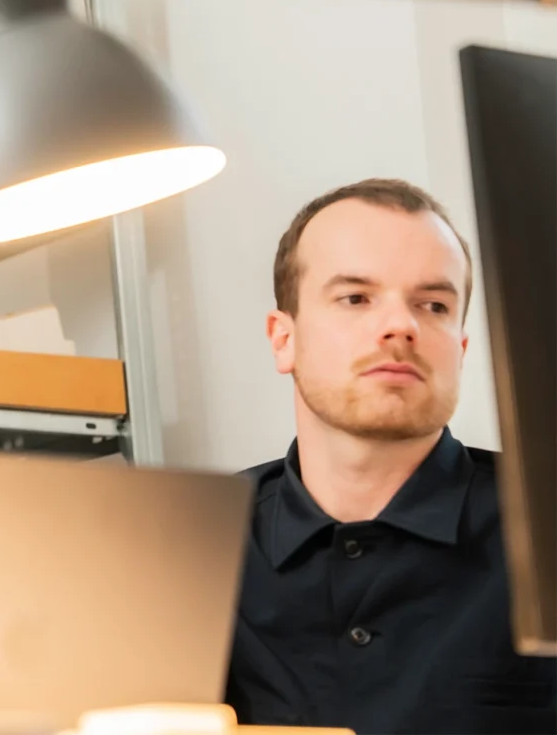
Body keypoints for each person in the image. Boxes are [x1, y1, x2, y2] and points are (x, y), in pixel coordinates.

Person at [224, 178, 556, 734]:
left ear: (460, 348)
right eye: (355, 298)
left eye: (433, 305)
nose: (401, 326)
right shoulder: (200, 546)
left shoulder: (547, 525)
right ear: (284, 339)